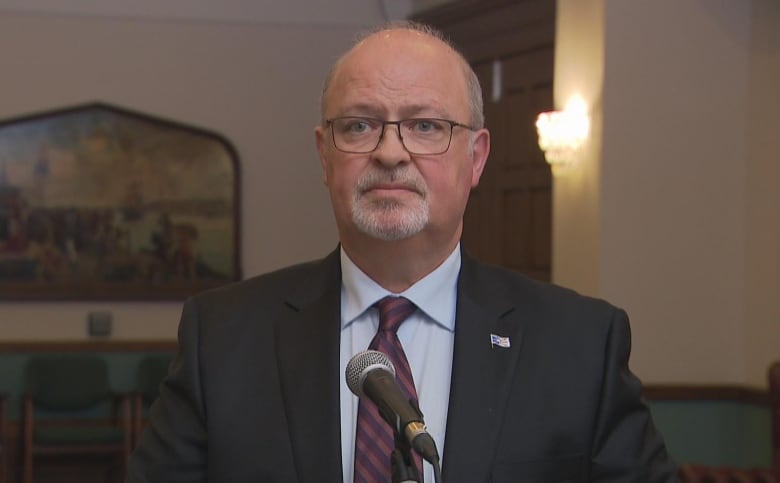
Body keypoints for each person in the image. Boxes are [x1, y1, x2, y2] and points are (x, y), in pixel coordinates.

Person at [126, 21, 678, 483]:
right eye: (360, 125)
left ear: (476, 158)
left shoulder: (580, 344)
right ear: (324, 155)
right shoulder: (222, 338)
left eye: (425, 126)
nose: (391, 152)